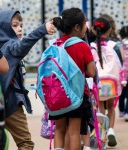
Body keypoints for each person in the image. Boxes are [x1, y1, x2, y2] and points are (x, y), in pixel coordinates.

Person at [0, 9, 54, 150]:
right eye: (15, 25)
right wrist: (42, 29)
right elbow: (24, 44)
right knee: (25, 143)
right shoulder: (10, 47)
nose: (19, 29)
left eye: (21, 25)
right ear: (3, 27)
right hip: (11, 104)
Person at [50, 8, 96, 150]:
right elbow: (91, 72)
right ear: (77, 27)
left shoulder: (56, 44)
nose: (86, 29)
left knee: (59, 130)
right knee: (74, 131)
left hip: (58, 95)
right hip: (77, 95)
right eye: (84, 25)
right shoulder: (82, 46)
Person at [92, 17, 122, 147]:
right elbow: (120, 64)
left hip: (98, 82)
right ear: (110, 30)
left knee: (100, 108)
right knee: (111, 107)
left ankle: (102, 133)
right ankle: (111, 130)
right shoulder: (114, 46)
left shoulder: (91, 46)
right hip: (112, 82)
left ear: (94, 30)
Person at [119, 26, 128, 121]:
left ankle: (121, 110)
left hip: (122, 72)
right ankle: (127, 112)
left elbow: (121, 58)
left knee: (122, 91)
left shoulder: (120, 44)